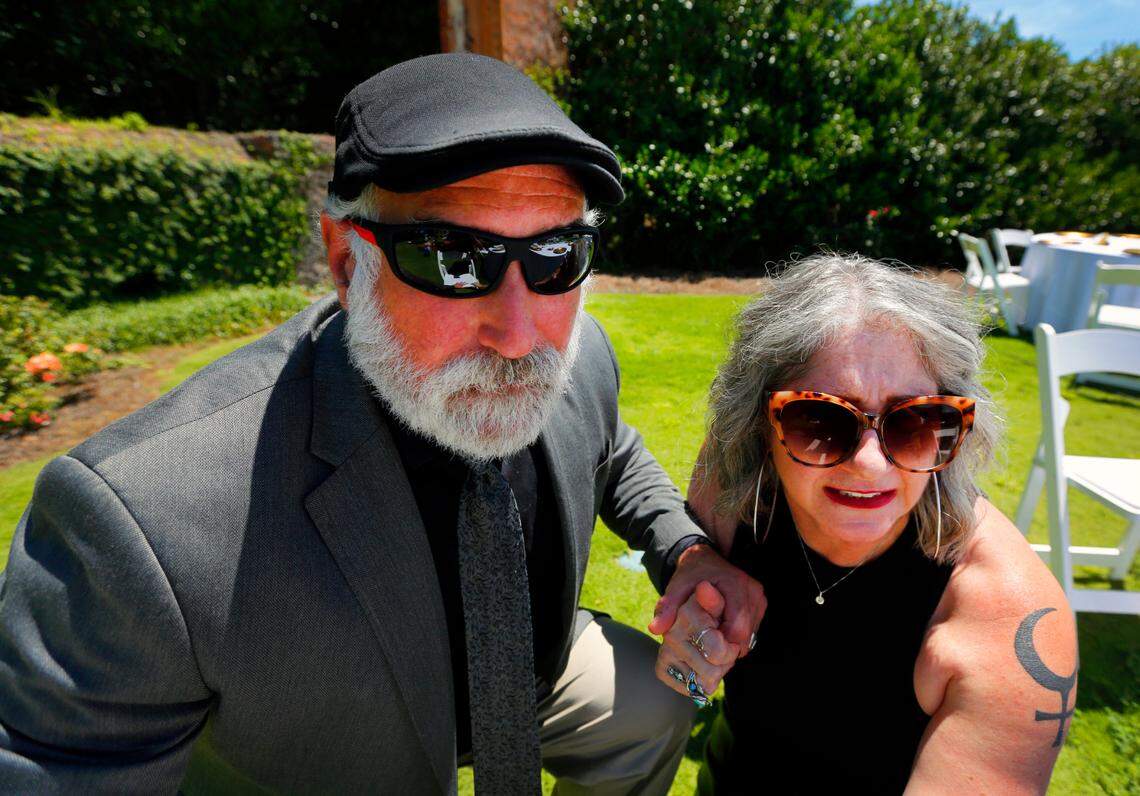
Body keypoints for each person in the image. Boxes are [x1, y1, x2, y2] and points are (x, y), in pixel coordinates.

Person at [0, 54, 765, 793]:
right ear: (343, 263)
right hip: (332, 747)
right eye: (453, 258)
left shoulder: (581, 355)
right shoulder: (141, 525)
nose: (521, 334)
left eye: (556, 256)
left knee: (652, 703)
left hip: (532, 671)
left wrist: (683, 546)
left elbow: (612, 451)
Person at [654, 254, 1077, 793]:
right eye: (820, 419)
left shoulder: (1010, 620)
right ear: (758, 426)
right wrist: (696, 618)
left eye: (918, 421)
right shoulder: (731, 490)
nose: (872, 465)